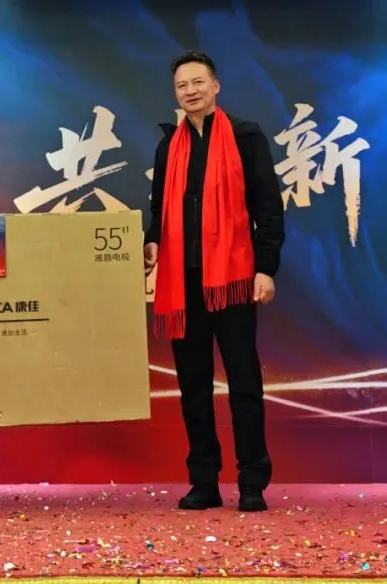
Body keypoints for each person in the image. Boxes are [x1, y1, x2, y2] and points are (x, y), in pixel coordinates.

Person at [144, 50, 285, 512]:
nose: (190, 91)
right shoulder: (169, 146)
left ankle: (252, 480)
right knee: (193, 387)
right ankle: (204, 480)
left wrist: (265, 267)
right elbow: (159, 209)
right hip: (182, 281)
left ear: (216, 85)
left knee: (244, 382)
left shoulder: (245, 137)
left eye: (198, 82)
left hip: (234, 278)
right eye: (182, 85)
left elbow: (268, 207)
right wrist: (152, 241)